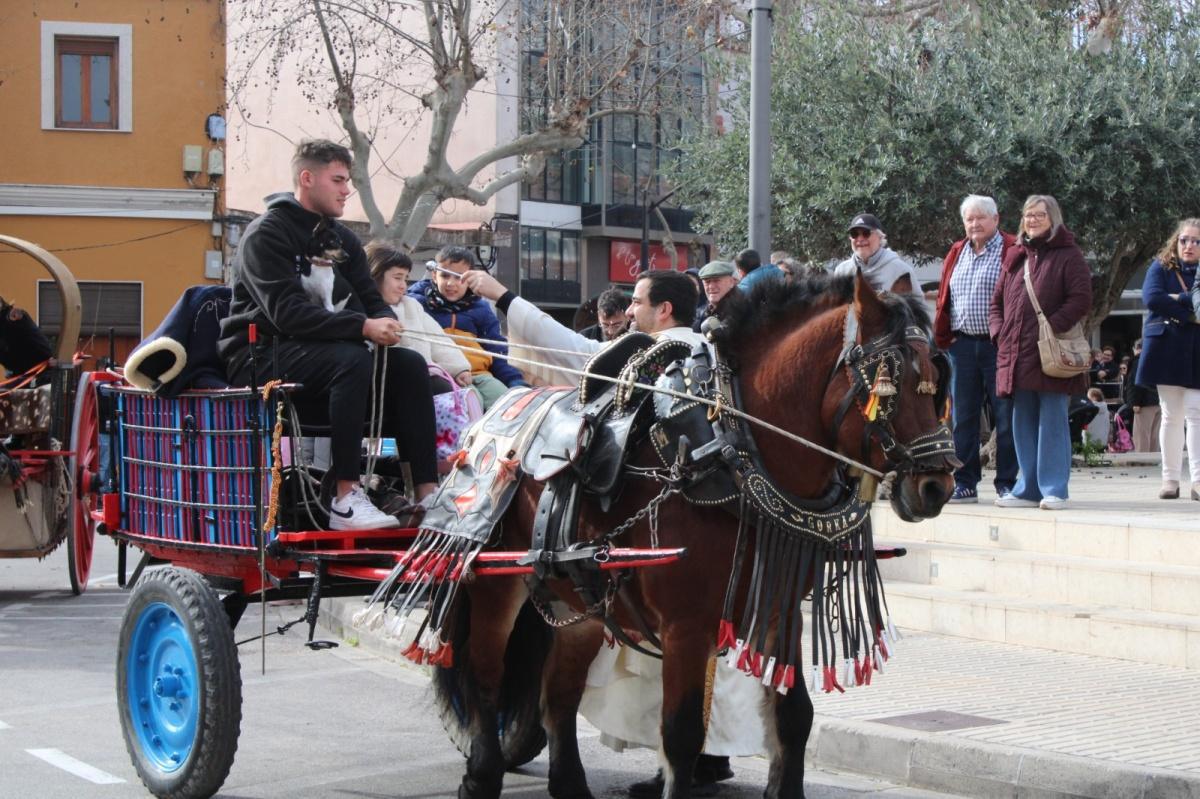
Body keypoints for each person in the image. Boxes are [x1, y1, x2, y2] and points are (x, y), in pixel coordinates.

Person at [463, 267, 745, 796]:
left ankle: (684, 762)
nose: (628, 311)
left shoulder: (651, 356)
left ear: (664, 310)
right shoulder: (718, 361)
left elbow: (570, 349)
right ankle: (698, 759)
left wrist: (503, 295)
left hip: (649, 532)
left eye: (637, 301)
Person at [219, 139, 439, 529]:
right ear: (307, 178)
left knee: (409, 364)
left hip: (324, 357)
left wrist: (384, 322)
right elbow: (286, 313)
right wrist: (362, 327)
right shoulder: (265, 235)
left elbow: (371, 298)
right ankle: (345, 498)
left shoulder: (342, 240)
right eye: (338, 180)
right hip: (262, 356)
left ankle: (427, 497)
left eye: (347, 181)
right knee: (350, 359)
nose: (346, 190)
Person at [989, 195, 1092, 511]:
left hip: (1051, 354)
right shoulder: (1015, 255)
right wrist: (999, 333)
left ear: (1053, 218)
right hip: (1017, 354)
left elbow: (1081, 299)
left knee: (1052, 422)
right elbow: (996, 302)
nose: (1032, 220)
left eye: (1039, 215)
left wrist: (1051, 328)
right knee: (1022, 422)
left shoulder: (1069, 255)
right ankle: (1028, 489)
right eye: (1027, 214)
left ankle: (1054, 489)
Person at [933, 195, 1018, 503]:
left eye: (981, 217)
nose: (975, 223)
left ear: (996, 219)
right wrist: (945, 335)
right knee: (963, 419)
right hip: (962, 346)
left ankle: (1007, 483)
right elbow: (945, 296)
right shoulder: (957, 252)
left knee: (1005, 416)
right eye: (969, 219)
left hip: (999, 347)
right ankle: (965, 482)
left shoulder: (1011, 249)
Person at [408, 245, 528, 410]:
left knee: (506, 403)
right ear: (434, 275)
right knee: (472, 403)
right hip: (448, 374)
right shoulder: (418, 304)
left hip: (481, 374)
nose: (451, 283)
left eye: (459, 277)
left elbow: (496, 349)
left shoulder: (481, 310)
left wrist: (514, 380)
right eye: (445, 275)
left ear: (470, 279)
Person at [1138, 218, 1200, 499]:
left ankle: (1197, 481)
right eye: (1184, 239)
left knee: (1196, 414)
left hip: (1196, 348)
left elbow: (1164, 301)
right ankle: (1170, 480)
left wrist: (1176, 298)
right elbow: (1152, 298)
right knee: (1171, 415)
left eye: (1196, 241)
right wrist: (1191, 311)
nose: (1189, 245)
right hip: (1167, 347)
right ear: (1176, 240)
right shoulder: (1160, 266)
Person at [366, 242, 473, 394]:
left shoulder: (412, 305)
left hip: (427, 375)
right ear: (375, 276)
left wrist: (459, 368)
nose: (403, 286)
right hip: (393, 385)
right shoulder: (363, 311)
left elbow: (438, 339)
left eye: (405, 279)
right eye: (398, 278)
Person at [833, 213, 922, 297]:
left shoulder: (901, 270)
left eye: (866, 233)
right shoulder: (842, 271)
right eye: (854, 234)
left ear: (880, 237)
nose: (860, 239)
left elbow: (919, 305)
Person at [1124, 338, 1160, 452]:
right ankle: (1153, 459)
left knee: (1141, 436)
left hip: (1144, 402)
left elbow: (1137, 383)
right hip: (1158, 401)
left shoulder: (1138, 361)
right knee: (1154, 436)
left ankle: (1142, 460)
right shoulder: (1157, 359)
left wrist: (1135, 402)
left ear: (1136, 348)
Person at [0, 298, 53, 375]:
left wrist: (12, 317)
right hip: (21, 372)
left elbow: (16, 316)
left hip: (41, 367)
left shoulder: (11, 317)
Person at [693, 260, 741, 332]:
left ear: (731, 282)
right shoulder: (702, 313)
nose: (711, 286)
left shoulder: (741, 312)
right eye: (707, 282)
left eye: (716, 281)